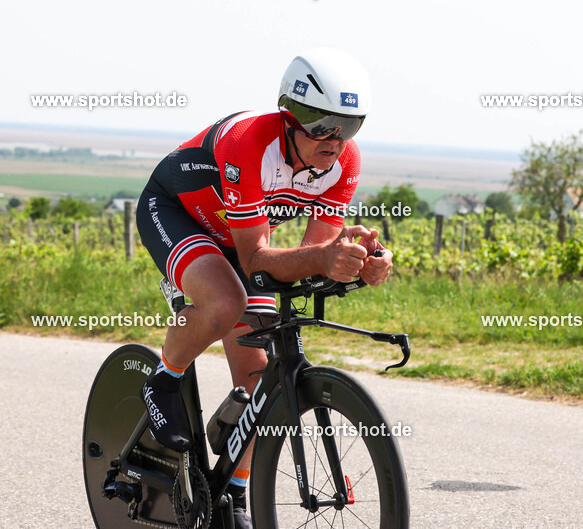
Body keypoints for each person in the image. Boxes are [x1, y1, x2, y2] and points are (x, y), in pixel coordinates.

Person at [135, 47, 393, 526]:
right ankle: (164, 380)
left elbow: (312, 259)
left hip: (242, 235)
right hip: (179, 214)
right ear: (288, 116)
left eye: (349, 125)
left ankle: (234, 493)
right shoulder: (250, 142)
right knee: (225, 302)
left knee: (260, 383)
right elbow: (256, 260)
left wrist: (357, 266)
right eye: (321, 124)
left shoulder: (344, 162)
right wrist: (323, 256)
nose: (335, 140)